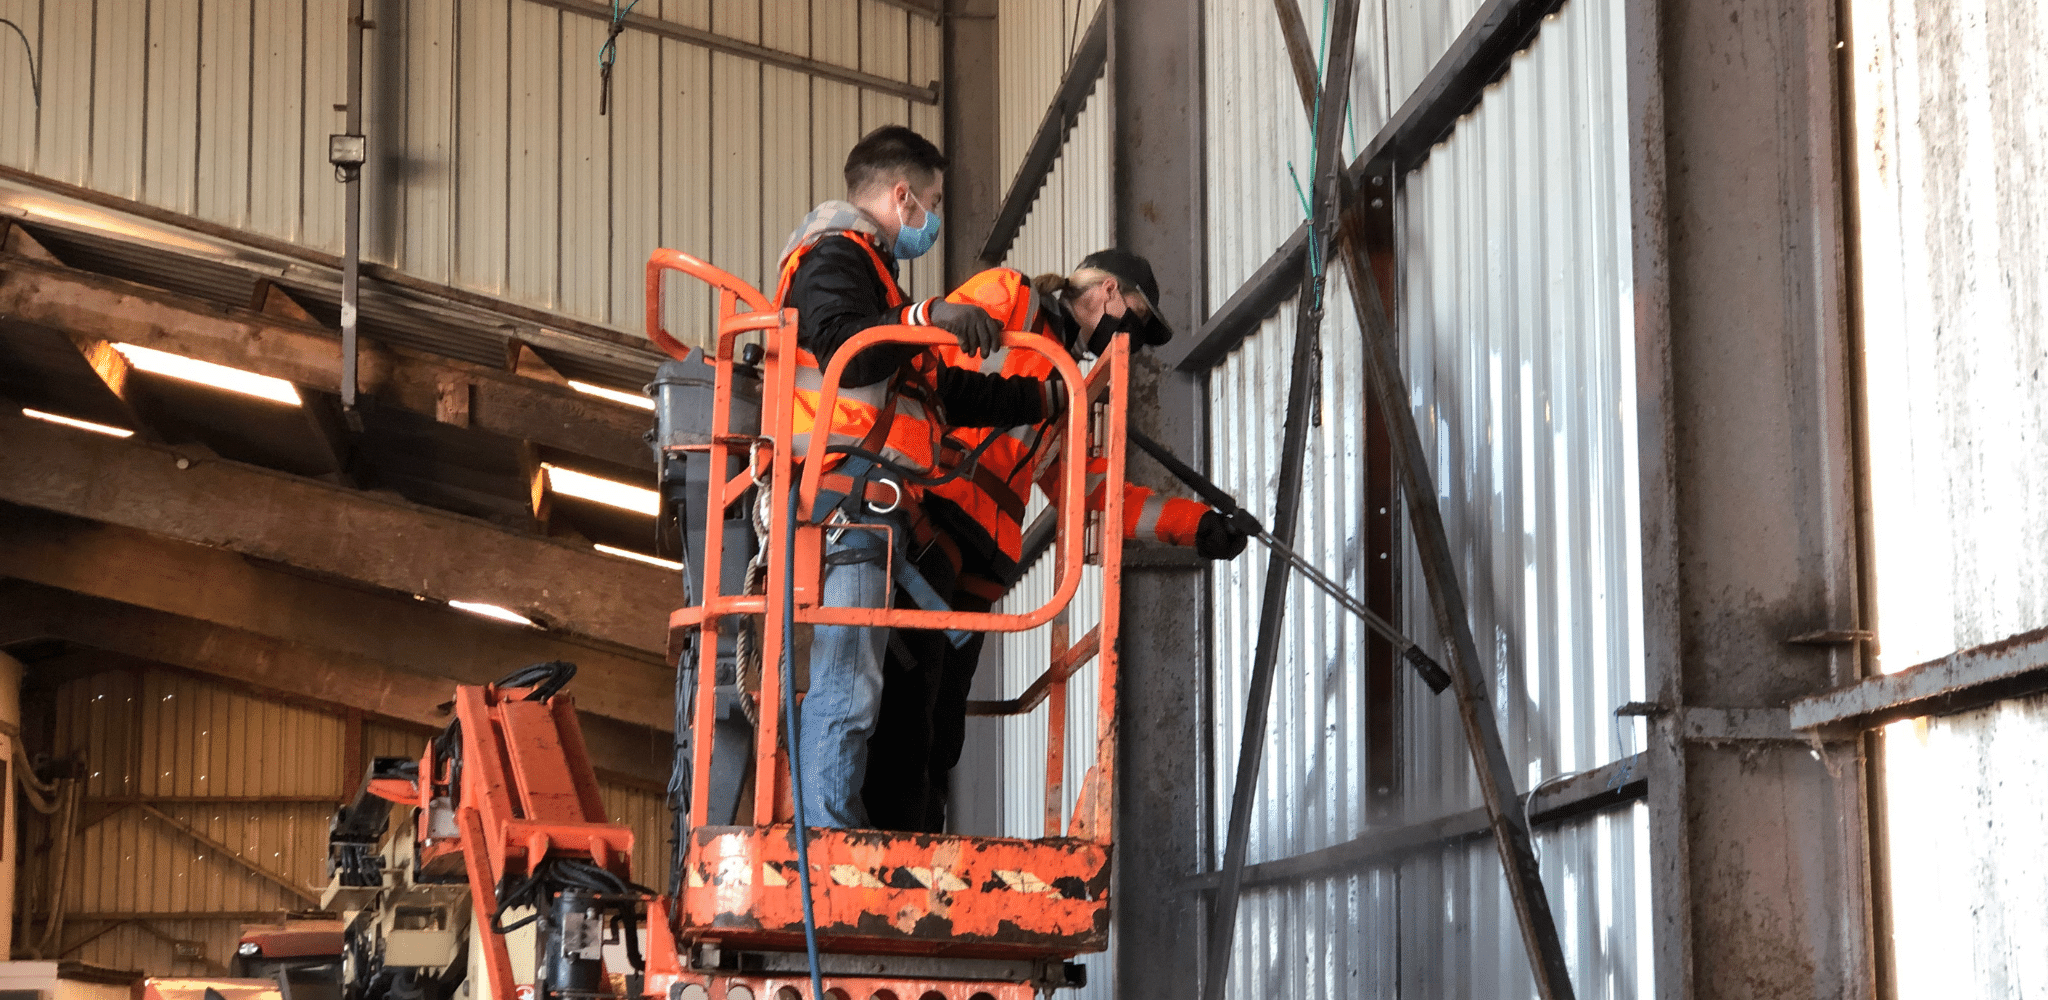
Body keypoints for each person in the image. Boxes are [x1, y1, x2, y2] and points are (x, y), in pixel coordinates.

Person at [860, 249, 1253, 833]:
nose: (1135, 339)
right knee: (908, 708)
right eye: (1138, 319)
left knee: (942, 731)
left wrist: (1197, 526)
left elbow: (1095, 493)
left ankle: (919, 849)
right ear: (1110, 293)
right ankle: (882, 842)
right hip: (930, 524)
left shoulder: (1068, 382)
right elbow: (919, 359)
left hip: (978, 566)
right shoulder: (1011, 298)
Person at [776, 125, 1056, 830]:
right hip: (847, 499)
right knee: (850, 685)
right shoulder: (832, 257)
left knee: (885, 676)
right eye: (928, 202)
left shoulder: (875, 278)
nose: (929, 218)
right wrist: (926, 316)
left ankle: (848, 827)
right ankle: (830, 842)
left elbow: (946, 393)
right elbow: (850, 347)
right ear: (902, 196)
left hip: (878, 504)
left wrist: (1045, 399)